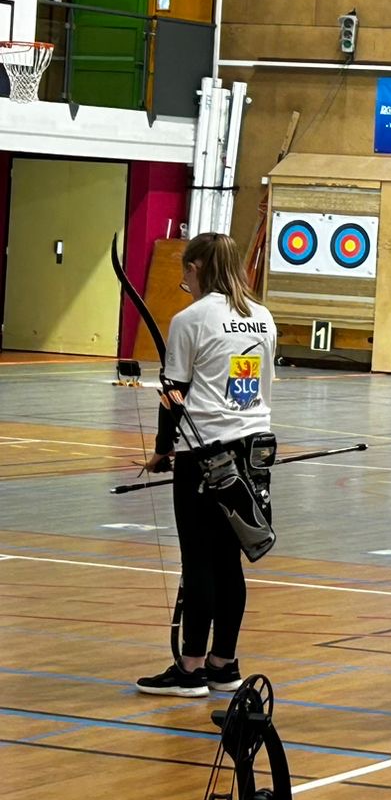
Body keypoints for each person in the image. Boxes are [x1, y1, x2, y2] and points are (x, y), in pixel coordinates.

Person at [135, 233, 278, 698]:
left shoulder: (191, 318)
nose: (184, 279)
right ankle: (223, 663)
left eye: (185, 271)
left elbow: (173, 392)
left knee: (199, 560)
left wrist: (163, 448)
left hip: (205, 454)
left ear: (195, 268)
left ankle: (191, 667)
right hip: (254, 451)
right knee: (228, 560)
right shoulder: (262, 316)